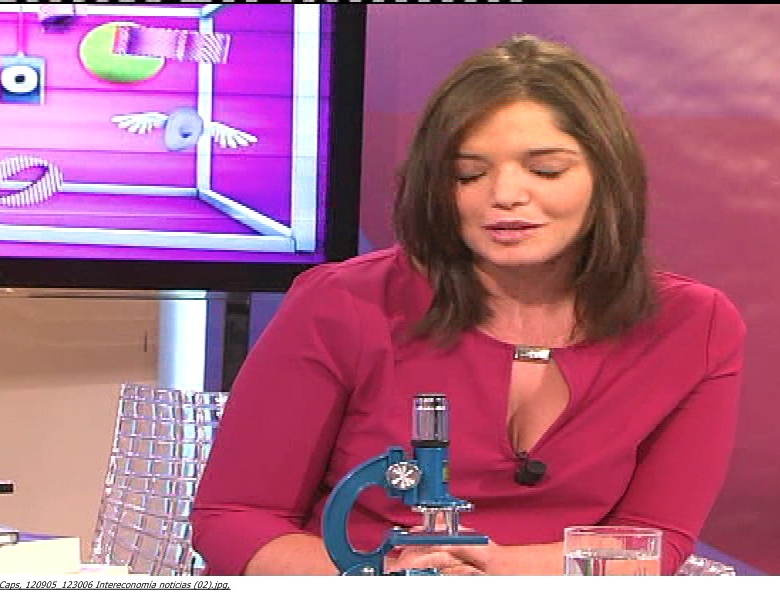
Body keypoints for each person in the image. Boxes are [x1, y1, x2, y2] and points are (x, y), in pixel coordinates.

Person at [190, 33, 746, 576]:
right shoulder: (343, 303)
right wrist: (386, 578)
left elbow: (652, 540)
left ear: (608, 177)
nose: (504, 195)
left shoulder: (692, 326)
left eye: (546, 170)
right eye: (468, 174)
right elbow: (235, 518)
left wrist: (492, 571)